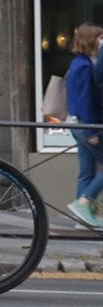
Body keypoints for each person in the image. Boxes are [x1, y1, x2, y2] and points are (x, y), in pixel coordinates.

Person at [65, 23, 103, 228]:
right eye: (100, 37)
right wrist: (91, 131)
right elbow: (85, 100)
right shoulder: (84, 66)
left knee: (87, 171)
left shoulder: (81, 64)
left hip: (79, 124)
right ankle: (84, 203)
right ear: (91, 39)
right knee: (91, 171)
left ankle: (83, 219)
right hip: (85, 125)